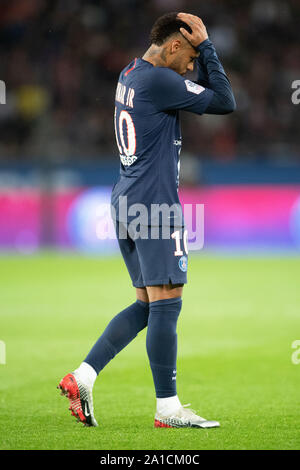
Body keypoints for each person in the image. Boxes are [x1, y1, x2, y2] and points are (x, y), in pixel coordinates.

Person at [58, 12, 236, 428]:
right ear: (174, 45)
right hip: (155, 206)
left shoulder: (130, 73)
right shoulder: (161, 81)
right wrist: (209, 45)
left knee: (146, 305)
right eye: (191, 56)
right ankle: (168, 408)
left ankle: (82, 376)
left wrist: (200, 50)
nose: (193, 66)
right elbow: (226, 101)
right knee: (167, 306)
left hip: (125, 201)